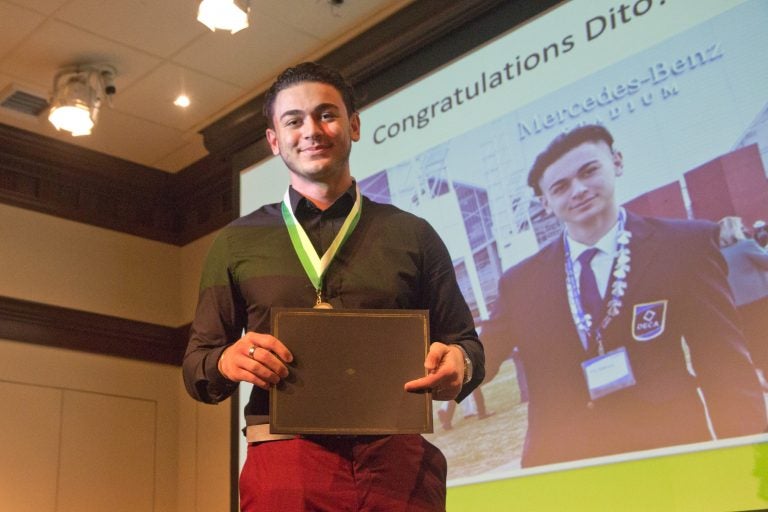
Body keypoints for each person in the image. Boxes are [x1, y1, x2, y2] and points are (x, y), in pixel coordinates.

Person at [182, 62, 484, 511]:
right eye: (294, 120)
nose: (312, 130)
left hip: (396, 459)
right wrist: (226, 361)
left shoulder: (413, 234)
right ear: (274, 141)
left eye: (326, 114)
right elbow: (197, 366)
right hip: (285, 458)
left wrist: (459, 363)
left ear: (353, 125)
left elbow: (466, 344)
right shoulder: (235, 241)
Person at [482, 124, 766, 468]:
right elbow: (481, 360)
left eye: (589, 171)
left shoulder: (683, 246)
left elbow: (725, 367)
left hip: (670, 454)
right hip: (568, 468)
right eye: (560, 186)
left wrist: (752, 468)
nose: (579, 190)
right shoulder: (520, 283)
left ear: (616, 162)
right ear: (545, 203)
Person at [718, 216, 768, 385]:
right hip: (761, 300)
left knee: (755, 341)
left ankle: (761, 376)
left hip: (737, 306)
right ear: (735, 229)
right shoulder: (746, 245)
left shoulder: (718, 254)